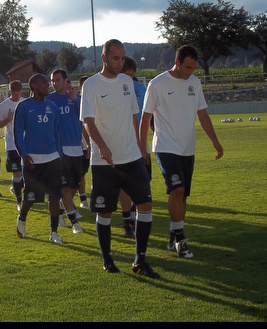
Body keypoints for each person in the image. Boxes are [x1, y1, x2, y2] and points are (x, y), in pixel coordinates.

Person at [80, 39, 159, 277]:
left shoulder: (127, 82)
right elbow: (88, 121)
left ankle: (140, 261)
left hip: (132, 157)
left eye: (123, 58)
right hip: (105, 163)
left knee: (145, 206)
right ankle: (107, 259)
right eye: (115, 58)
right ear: (104, 58)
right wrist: (102, 147)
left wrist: (141, 147)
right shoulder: (91, 85)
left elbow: (134, 118)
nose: (120, 62)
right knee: (104, 212)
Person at [139, 45, 224, 258]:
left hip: (188, 148)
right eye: (187, 67)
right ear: (177, 62)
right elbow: (145, 117)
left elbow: (202, 114)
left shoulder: (194, 83)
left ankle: (173, 233)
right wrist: (142, 148)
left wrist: (215, 141)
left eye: (193, 68)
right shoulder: (156, 84)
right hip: (165, 147)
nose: (190, 72)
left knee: (183, 194)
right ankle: (179, 238)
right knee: (176, 189)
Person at [14, 73, 64, 244]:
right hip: (32, 160)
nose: (47, 85)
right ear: (34, 87)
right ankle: (22, 218)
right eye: (43, 83)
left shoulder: (53, 107)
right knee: (31, 198)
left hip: (52, 158)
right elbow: (18, 133)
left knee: (55, 197)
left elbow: (57, 133)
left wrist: (59, 155)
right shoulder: (24, 107)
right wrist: (24, 154)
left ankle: (54, 232)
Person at [47, 70, 84, 234]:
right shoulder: (49, 100)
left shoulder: (76, 99)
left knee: (75, 185)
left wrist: (75, 99)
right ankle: (74, 222)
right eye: (53, 80)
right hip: (59, 150)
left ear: (66, 80)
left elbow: (85, 118)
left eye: (58, 80)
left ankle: (62, 208)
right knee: (65, 187)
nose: (55, 83)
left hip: (77, 148)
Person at [118, 56, 150, 239]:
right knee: (123, 185)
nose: (129, 77)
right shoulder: (113, 90)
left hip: (140, 142)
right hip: (121, 143)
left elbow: (148, 114)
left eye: (131, 74)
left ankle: (139, 218)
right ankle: (127, 222)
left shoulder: (141, 90)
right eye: (125, 73)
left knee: (141, 183)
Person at [0, 80, 26, 210]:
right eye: (15, 93)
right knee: (17, 173)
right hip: (12, 145)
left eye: (19, 93)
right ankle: (19, 202)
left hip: (25, 144)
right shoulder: (3, 106)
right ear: (10, 91)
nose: (17, 96)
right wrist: (7, 119)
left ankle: (16, 188)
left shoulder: (25, 103)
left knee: (27, 174)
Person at [76, 76, 91, 209]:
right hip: (81, 145)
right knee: (79, 173)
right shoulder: (76, 101)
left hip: (93, 144)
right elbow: (82, 125)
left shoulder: (93, 100)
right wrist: (87, 144)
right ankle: (82, 199)